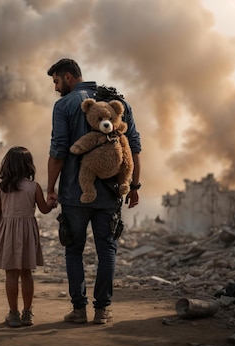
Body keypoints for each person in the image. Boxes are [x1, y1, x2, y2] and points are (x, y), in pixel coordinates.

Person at [46, 58, 142, 325]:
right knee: (107, 251)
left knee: (73, 250)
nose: (55, 88)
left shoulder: (64, 105)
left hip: (75, 193)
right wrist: (134, 185)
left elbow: (58, 151)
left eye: (55, 81)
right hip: (111, 194)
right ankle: (102, 310)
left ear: (68, 77)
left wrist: (50, 189)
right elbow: (133, 147)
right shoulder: (118, 103)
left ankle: (79, 310)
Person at [0, 146, 55, 327]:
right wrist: (51, 202)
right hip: (27, 232)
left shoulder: (1, 189)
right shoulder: (34, 187)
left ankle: (14, 314)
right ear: (28, 166)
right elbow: (44, 209)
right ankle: (28, 313)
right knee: (26, 273)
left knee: (11, 274)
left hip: (8, 232)